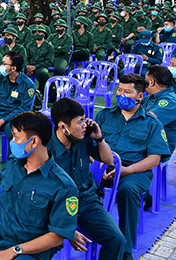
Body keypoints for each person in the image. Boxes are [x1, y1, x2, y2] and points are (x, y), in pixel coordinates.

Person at [0, 112, 79, 260]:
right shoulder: (14, 163)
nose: (12, 141)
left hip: (30, 251)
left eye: (16, 138)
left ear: (34, 142)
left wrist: (15, 250)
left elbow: (57, 237)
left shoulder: (63, 186)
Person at [94, 73, 170, 255]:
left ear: (140, 96)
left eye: (128, 92)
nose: (121, 95)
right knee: (78, 183)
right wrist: (96, 165)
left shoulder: (152, 123)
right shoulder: (105, 115)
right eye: (119, 90)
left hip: (135, 170)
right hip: (102, 166)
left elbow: (154, 159)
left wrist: (126, 171)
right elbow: (89, 145)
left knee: (128, 191)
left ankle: (124, 250)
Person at [49, 98, 126, 260]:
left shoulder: (84, 139)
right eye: (80, 122)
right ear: (63, 126)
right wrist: (67, 229)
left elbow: (109, 161)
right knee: (42, 243)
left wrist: (99, 138)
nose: (85, 125)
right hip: (56, 206)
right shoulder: (46, 149)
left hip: (86, 202)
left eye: (85, 120)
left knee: (117, 240)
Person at [0, 51, 36, 139]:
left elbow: (24, 109)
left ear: (13, 68)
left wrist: (2, 121)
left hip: (12, 119)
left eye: (4, 64)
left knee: (14, 135)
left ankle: (11, 153)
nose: (1, 66)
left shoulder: (28, 85)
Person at [143, 65, 176, 154]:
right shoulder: (150, 98)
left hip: (160, 147)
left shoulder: (170, 102)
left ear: (152, 82)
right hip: (146, 140)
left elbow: (148, 121)